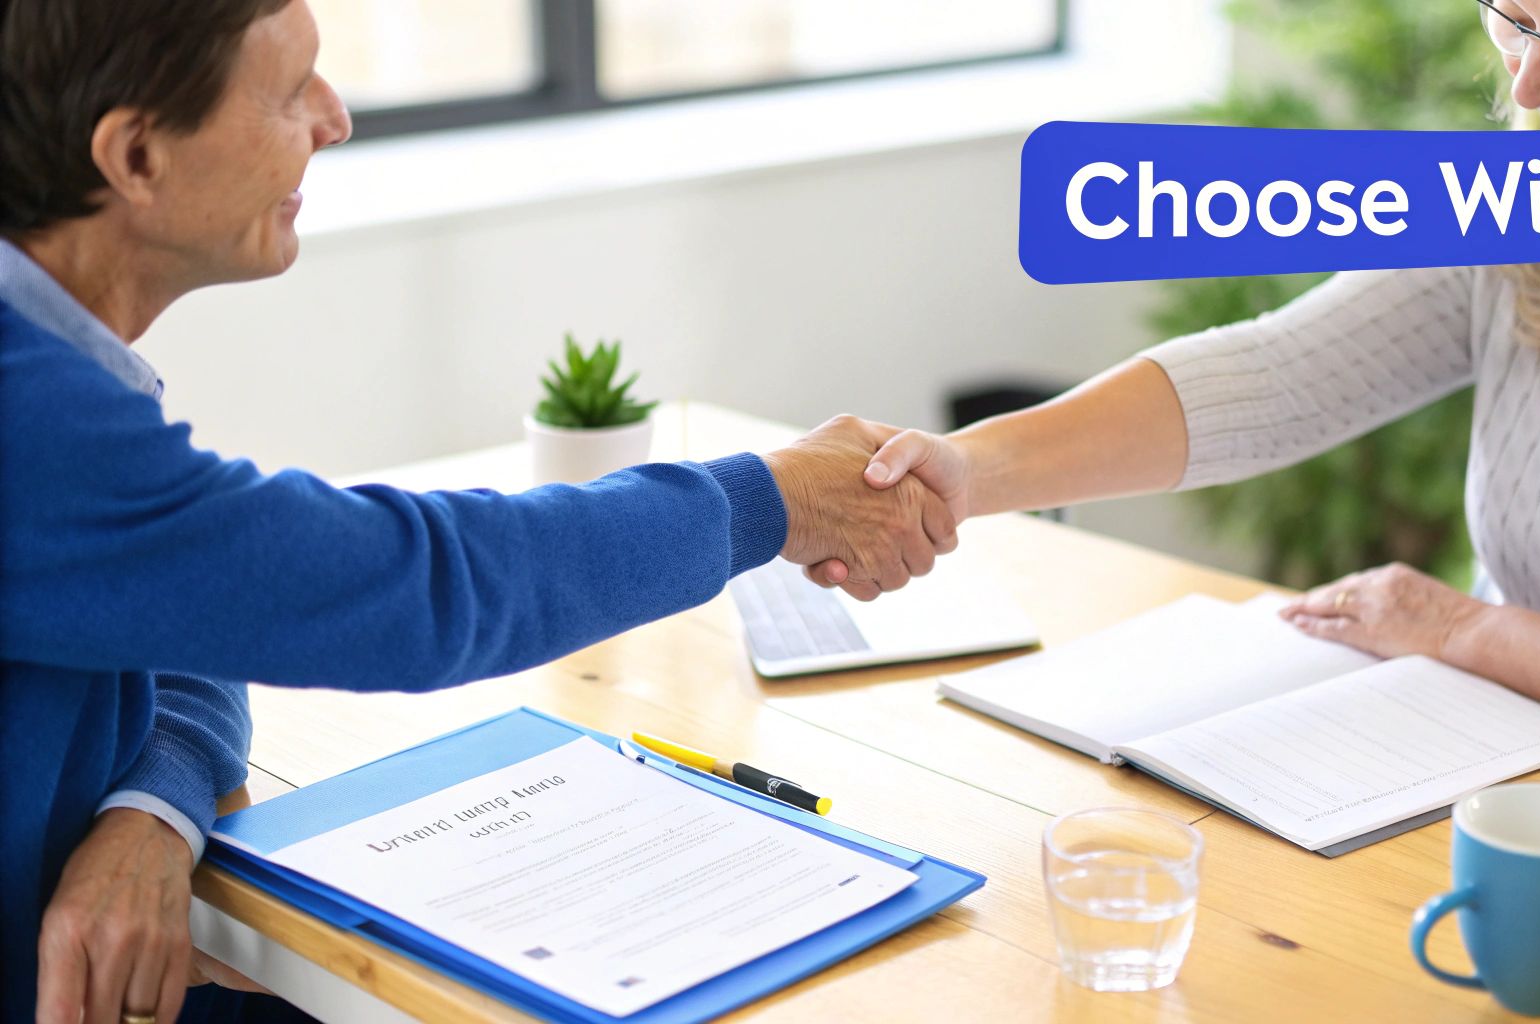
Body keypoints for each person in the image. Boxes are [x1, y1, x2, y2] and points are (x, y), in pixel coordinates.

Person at [0, 2, 952, 1021]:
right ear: (136, 155)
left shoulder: (55, 375)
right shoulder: (29, 420)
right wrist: (769, 499)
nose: (334, 119)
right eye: (288, 92)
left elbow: (204, 605)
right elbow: (422, 588)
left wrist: (153, 808)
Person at [822, 0, 1540, 762]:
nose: (1527, 86)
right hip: (1510, 761)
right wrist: (964, 470)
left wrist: (1459, 626)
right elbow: (1279, 374)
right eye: (1512, 21)